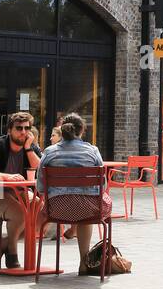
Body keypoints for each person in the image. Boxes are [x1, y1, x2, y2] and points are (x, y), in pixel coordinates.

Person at [36, 114, 109, 271]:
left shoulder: (49, 152)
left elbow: (40, 188)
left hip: (56, 210)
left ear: (62, 131)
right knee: (87, 210)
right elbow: (103, 184)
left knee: (77, 205)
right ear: (82, 130)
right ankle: (84, 261)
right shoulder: (93, 151)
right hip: (88, 209)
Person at [0, 110, 42, 270]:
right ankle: (12, 254)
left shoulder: (31, 147)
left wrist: (28, 148)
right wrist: (7, 177)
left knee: (42, 211)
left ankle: (3, 242)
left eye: (27, 128)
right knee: (19, 214)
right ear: (9, 130)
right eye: (19, 128)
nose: (23, 132)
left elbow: (40, 169)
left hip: (18, 192)